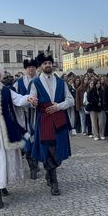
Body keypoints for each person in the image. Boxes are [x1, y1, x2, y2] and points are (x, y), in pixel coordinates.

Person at [30, 51, 74, 196]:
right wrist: (33, 102)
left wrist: (59, 106)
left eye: (49, 63)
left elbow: (71, 100)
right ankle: (54, 182)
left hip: (59, 120)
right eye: (45, 63)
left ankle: (50, 172)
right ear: (41, 66)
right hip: (45, 120)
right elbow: (32, 100)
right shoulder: (35, 82)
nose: (48, 65)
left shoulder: (61, 82)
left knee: (58, 150)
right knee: (48, 150)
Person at [0, 61, 37, 209]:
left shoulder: (6, 90)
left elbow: (18, 99)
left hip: (6, 129)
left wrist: (29, 98)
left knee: (6, 158)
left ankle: (1, 185)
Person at [13, 58, 40, 180]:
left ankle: (37, 162)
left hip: (38, 115)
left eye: (33, 67)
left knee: (38, 140)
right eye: (29, 67)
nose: (31, 69)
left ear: (36, 68)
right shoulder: (18, 83)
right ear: (25, 69)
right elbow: (14, 99)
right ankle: (32, 167)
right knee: (28, 142)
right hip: (24, 117)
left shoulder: (40, 81)